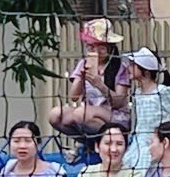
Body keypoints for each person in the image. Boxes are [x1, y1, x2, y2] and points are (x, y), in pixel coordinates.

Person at [47, 17, 130, 155]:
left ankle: (107, 143)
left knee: (81, 113)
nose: (95, 50)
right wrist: (81, 77)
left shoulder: (120, 67)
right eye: (90, 46)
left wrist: (99, 84)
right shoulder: (83, 64)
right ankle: (89, 144)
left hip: (115, 116)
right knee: (56, 115)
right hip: (88, 114)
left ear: (109, 47)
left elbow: (119, 102)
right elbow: (74, 97)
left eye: (100, 46)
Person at [118, 50, 170, 169]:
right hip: (139, 141)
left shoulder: (162, 91)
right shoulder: (137, 93)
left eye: (133, 65)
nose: (129, 67)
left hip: (156, 141)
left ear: (146, 71)